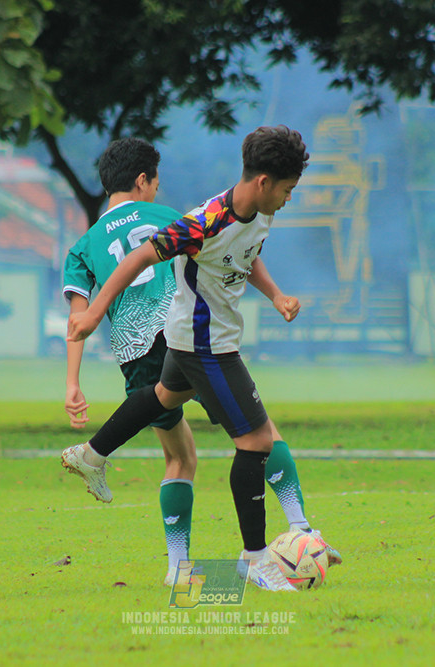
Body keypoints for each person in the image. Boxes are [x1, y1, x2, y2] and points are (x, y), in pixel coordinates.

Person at [61, 134, 339, 590]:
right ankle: (255, 558)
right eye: (288, 190)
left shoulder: (260, 211)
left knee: (163, 396)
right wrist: (93, 312)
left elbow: (247, 254)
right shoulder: (202, 221)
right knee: (255, 440)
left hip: (194, 339)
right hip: (204, 345)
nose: (290, 200)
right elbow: (141, 254)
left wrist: (275, 296)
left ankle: (92, 454)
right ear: (265, 181)